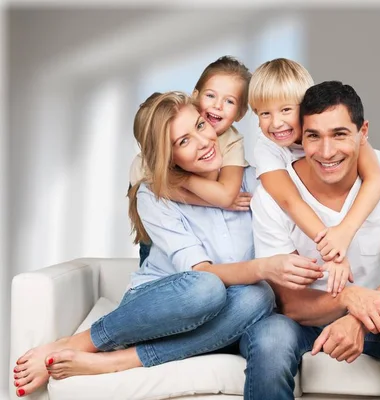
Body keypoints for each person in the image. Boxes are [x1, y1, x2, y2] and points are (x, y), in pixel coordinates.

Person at [12, 92, 323, 398]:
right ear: (168, 156)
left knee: (258, 296)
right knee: (206, 287)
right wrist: (263, 267)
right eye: (183, 142)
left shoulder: (256, 181)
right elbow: (204, 273)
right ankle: (77, 343)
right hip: (164, 306)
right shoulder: (154, 196)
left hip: (231, 315)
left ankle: (121, 361)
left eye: (200, 126)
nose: (203, 142)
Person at [240, 81, 380, 400]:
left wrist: (358, 320)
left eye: (339, 134)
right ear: (299, 135)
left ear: (363, 132)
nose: (326, 152)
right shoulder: (272, 197)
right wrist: (348, 298)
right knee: (269, 337)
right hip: (304, 320)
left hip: (375, 314)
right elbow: (291, 304)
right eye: (313, 136)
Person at [249, 58, 380, 295]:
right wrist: (332, 251)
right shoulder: (267, 148)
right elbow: (289, 200)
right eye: (264, 113)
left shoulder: (335, 128)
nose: (276, 123)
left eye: (285, 110)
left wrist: (345, 231)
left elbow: (376, 180)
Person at [130, 56, 254, 265]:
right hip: (160, 224)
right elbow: (153, 189)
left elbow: (225, 196)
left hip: (202, 228)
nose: (217, 106)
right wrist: (184, 181)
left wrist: (181, 179)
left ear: (240, 113)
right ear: (195, 97)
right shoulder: (154, 151)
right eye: (211, 95)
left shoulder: (232, 142)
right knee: (155, 254)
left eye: (229, 101)